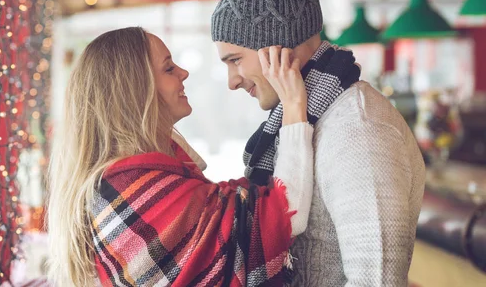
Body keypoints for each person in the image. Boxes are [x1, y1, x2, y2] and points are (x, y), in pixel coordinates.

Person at [211, 0, 426, 286]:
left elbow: (377, 280)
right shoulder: (302, 121)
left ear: (274, 47)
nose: (232, 81)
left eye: (235, 60)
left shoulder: (357, 126)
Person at [46, 27, 315, 287]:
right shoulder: (136, 193)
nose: (184, 73)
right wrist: (293, 104)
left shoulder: (125, 179)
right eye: (168, 68)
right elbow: (285, 213)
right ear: (137, 90)